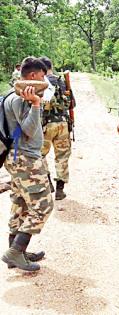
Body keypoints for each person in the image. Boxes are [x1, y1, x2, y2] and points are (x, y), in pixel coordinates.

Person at [1, 57, 54, 271]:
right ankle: (15, 251)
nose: (45, 80)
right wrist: (35, 105)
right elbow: (29, 130)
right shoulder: (22, 99)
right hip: (26, 159)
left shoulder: (11, 95)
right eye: (43, 76)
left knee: (21, 203)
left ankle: (17, 251)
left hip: (16, 157)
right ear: (33, 76)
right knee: (43, 205)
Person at [39, 56, 74, 200]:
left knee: (39, 154)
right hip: (63, 124)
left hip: (46, 125)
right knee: (62, 156)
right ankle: (60, 189)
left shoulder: (41, 83)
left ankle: (47, 180)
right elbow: (72, 103)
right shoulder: (62, 82)